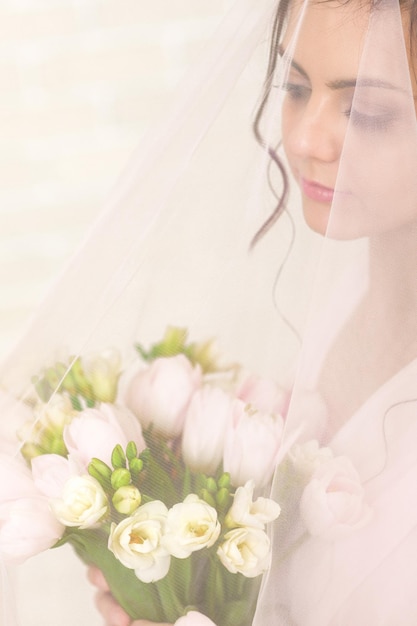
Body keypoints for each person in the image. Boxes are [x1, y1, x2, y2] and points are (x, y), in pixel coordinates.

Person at [89, 0, 417, 623]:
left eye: (366, 113)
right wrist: (186, 593)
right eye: (294, 88)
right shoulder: (339, 294)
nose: (301, 138)